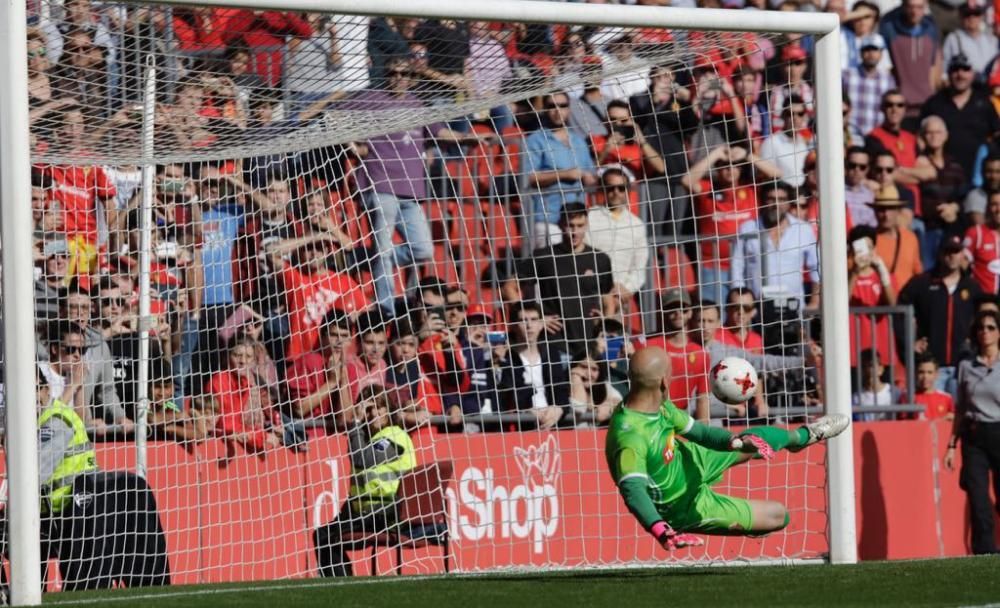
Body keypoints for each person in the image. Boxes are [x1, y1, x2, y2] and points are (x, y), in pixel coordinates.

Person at [604, 346, 849, 549]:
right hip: (684, 506)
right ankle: (732, 523)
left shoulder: (660, 406)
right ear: (663, 382)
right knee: (779, 515)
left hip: (693, 460)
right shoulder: (630, 437)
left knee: (752, 440)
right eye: (671, 373)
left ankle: (802, 436)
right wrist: (661, 531)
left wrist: (734, 443)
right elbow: (632, 489)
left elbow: (699, 432)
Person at [313, 385, 416, 576]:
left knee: (328, 536)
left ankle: (342, 584)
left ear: (389, 409)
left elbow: (363, 459)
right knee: (322, 534)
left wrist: (356, 423)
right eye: (368, 409)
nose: (373, 413)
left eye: (379, 407)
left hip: (387, 512)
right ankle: (342, 582)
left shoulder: (394, 436)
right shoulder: (368, 439)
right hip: (367, 511)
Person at [945, 309, 1000, 554]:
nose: (985, 332)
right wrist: (951, 444)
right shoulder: (967, 366)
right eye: (980, 328)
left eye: (990, 327)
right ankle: (984, 552)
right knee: (978, 498)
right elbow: (960, 407)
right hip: (975, 435)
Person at [898, 235, 980, 398]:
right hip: (931, 368)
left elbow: (984, 315)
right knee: (931, 416)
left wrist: (975, 341)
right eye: (948, 251)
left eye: (956, 252)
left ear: (962, 254)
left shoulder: (971, 286)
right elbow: (899, 311)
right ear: (940, 254)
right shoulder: (922, 283)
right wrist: (909, 342)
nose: (952, 256)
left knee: (958, 416)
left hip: (963, 365)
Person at [871, 185, 922, 289]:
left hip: (906, 301)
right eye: (881, 210)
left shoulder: (910, 238)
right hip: (879, 302)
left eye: (890, 209)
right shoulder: (869, 241)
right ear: (875, 212)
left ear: (898, 210)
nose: (886, 215)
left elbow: (918, 273)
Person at [911, 354, 955, 421]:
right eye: (921, 372)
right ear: (915, 373)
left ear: (936, 374)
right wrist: (942, 419)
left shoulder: (947, 398)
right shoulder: (908, 397)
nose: (925, 376)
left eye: (930, 372)